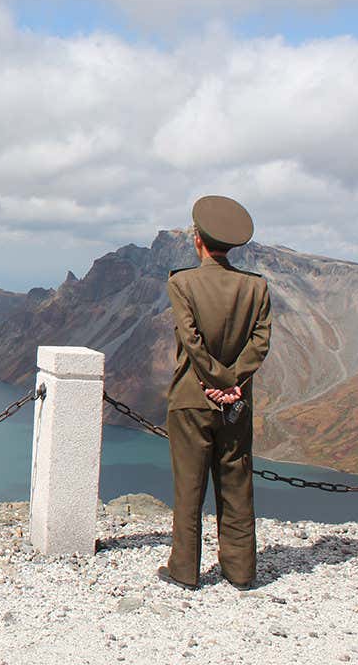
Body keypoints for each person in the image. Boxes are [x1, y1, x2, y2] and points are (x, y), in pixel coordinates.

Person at [157, 195, 272, 591]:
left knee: (189, 488)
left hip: (192, 399)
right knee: (236, 482)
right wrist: (234, 384)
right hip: (236, 403)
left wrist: (216, 381)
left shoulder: (181, 283)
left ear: (198, 240)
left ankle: (184, 570)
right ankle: (241, 571)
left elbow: (192, 342)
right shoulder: (256, 288)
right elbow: (260, 342)